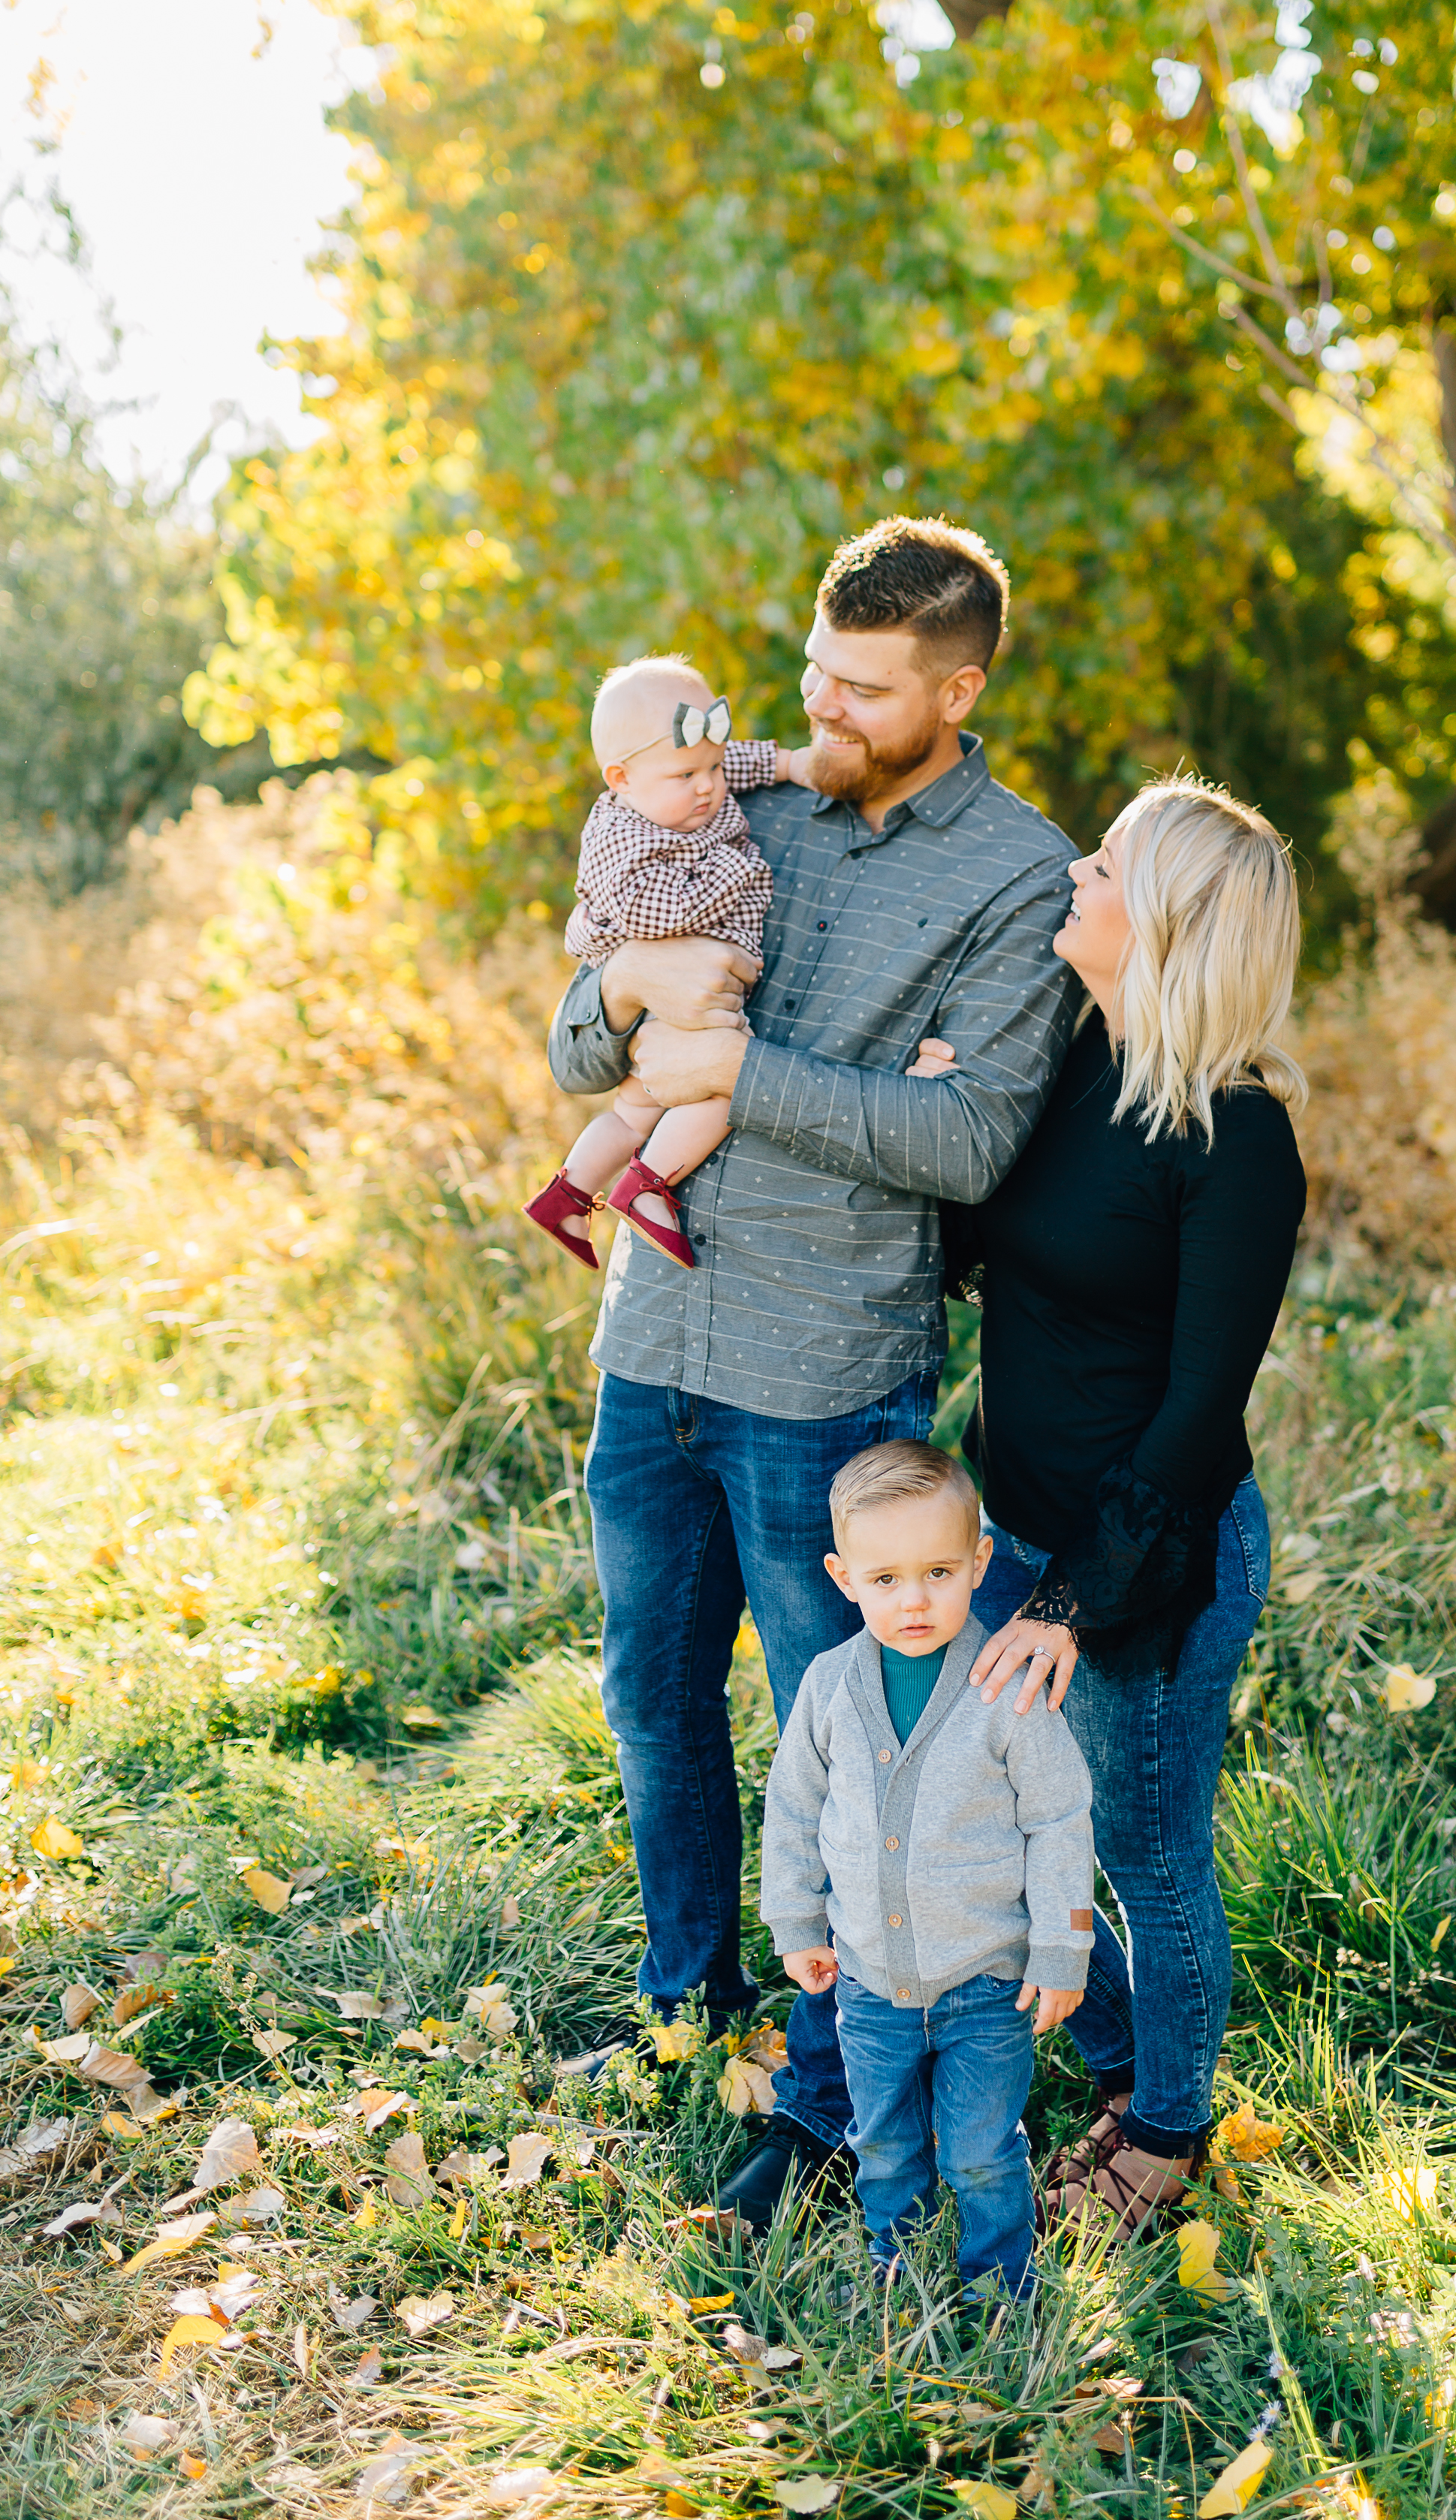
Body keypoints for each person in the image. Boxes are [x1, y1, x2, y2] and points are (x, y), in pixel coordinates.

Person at [546, 517, 1078, 2227]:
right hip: (654, 1341)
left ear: (958, 684)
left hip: (826, 1373)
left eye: (863, 690)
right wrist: (627, 979)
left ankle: (837, 2095)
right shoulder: (736, 795)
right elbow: (574, 1027)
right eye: (810, 677)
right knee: (650, 1699)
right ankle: (689, 2008)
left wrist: (742, 1067)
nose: (817, 714)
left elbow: (972, 1136)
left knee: (847, 1743)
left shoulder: (1013, 873)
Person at [950, 775, 1307, 2233]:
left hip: (1145, 1562)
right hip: (1015, 1525)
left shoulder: (1240, 1138)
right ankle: (1116, 2060)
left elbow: (1192, 1418)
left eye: (1099, 866)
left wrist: (1064, 1601)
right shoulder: (1074, 1068)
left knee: (1145, 1853)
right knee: (998, 1812)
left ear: (1160, 919)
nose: (1070, 880)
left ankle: (1165, 2130)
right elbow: (986, 1242)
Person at [760, 1440, 1092, 2300]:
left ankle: (998, 2282)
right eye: (886, 1580)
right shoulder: (829, 1687)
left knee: (981, 2147)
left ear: (981, 1561)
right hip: (868, 1979)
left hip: (985, 1979)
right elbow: (794, 1808)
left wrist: (1062, 1951)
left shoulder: (1008, 1689)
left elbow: (1058, 1819)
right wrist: (796, 1923)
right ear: (843, 1577)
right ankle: (895, 2263)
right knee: (884, 2139)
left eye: (939, 1571)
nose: (914, 1600)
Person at [523, 656, 817, 1271]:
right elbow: (653, 917)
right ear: (620, 778)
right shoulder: (623, 835)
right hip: (676, 991)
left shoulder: (684, 786)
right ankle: (647, 1185)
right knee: (724, 1086)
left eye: (712, 766)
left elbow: (731, 761)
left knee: (635, 1109)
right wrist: (738, 868)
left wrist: (788, 764)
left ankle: (568, 1194)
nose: (709, 786)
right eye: (687, 773)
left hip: (682, 991)